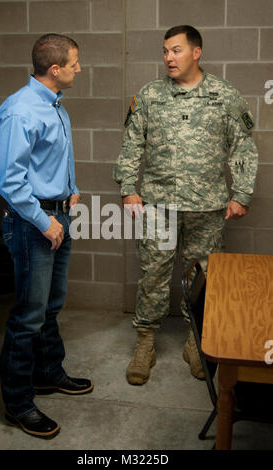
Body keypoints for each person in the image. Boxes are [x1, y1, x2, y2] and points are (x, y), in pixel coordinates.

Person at [113, 25, 258, 386]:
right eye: (164, 51)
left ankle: (197, 341)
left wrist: (241, 193)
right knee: (153, 275)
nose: (168, 58)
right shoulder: (149, 96)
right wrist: (129, 189)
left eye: (176, 50)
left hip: (207, 208)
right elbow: (132, 145)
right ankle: (145, 343)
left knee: (202, 278)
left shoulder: (225, 95)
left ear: (197, 52)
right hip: (158, 207)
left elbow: (242, 147)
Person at [0, 33, 93, 439]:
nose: (79, 69)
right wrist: (44, 220)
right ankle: (18, 403)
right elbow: (9, 181)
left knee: (51, 305)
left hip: (57, 215)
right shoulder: (20, 111)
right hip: (33, 224)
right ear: (55, 70)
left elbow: (46, 162)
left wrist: (68, 188)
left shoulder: (54, 106)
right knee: (28, 317)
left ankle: (48, 373)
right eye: (74, 63)